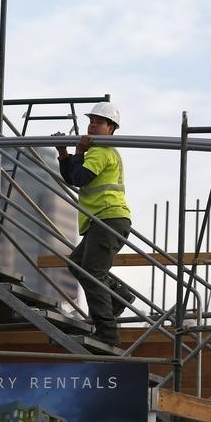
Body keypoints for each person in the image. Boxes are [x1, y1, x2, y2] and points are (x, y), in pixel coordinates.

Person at [53, 102, 134, 346]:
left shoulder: (101, 151)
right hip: (103, 220)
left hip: (108, 218)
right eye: (91, 121)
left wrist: (77, 153)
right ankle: (118, 296)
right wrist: (64, 154)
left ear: (111, 128)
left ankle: (107, 331)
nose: (92, 125)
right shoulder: (97, 151)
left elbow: (79, 178)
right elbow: (72, 177)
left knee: (92, 272)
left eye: (99, 122)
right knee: (78, 264)